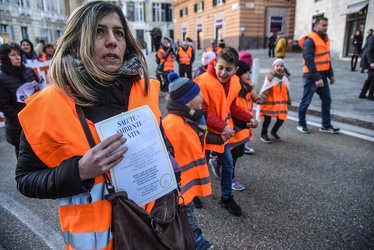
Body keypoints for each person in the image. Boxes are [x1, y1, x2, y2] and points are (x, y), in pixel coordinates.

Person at [14, 2, 174, 249]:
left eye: (118, 32)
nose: (112, 41)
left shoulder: (144, 89)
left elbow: (163, 142)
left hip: (154, 227)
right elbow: (26, 179)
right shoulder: (48, 105)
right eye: (99, 32)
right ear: (77, 41)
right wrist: (79, 171)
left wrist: (170, 162)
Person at [163, 72, 228, 250]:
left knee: (187, 210)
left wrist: (220, 139)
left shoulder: (193, 118)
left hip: (187, 184)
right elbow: (165, 154)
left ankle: (193, 238)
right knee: (181, 213)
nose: (202, 97)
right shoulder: (171, 124)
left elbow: (201, 139)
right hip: (179, 185)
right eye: (198, 94)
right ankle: (194, 239)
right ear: (186, 101)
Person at [194, 47, 257, 216]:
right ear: (214, 64)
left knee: (228, 165)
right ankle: (193, 193)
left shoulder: (235, 82)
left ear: (235, 69)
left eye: (228, 69)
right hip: (206, 132)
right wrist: (223, 126)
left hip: (224, 134)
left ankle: (226, 197)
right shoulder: (203, 82)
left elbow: (232, 106)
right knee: (201, 165)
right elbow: (203, 113)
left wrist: (247, 118)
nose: (223, 72)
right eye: (220, 68)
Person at [297, 16, 340, 134]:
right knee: (306, 101)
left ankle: (326, 125)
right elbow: (308, 60)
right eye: (323, 25)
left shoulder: (325, 39)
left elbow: (327, 58)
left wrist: (331, 74)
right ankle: (301, 124)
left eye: (326, 25)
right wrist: (316, 78)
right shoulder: (310, 40)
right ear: (316, 26)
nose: (326, 28)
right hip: (311, 76)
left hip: (323, 75)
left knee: (327, 100)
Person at [0, 42, 39, 157]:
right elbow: (4, 105)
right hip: (18, 127)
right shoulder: (2, 78)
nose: (18, 57)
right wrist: (23, 118)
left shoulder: (29, 71)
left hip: (36, 121)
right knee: (25, 157)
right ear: (5, 58)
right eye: (12, 55)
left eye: (18, 54)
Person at [229, 60, 259, 190]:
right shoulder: (234, 89)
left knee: (240, 153)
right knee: (233, 157)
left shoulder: (246, 88)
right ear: (238, 73)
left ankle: (217, 162)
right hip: (236, 128)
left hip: (244, 127)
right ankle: (230, 178)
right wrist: (244, 123)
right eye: (246, 72)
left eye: (249, 72)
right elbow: (233, 110)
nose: (248, 75)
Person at [257, 58, 290, 143]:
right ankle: (263, 134)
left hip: (281, 104)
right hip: (270, 104)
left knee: (281, 119)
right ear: (273, 67)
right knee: (267, 120)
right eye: (277, 65)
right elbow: (265, 90)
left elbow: (287, 91)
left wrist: (288, 100)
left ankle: (274, 132)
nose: (279, 67)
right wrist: (261, 99)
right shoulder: (270, 78)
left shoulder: (285, 79)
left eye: (282, 66)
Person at [359, 31, 374, 100]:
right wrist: (371, 62)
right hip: (371, 61)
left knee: (370, 78)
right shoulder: (372, 38)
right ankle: (370, 95)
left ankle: (363, 93)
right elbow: (369, 50)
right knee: (372, 78)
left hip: (370, 60)